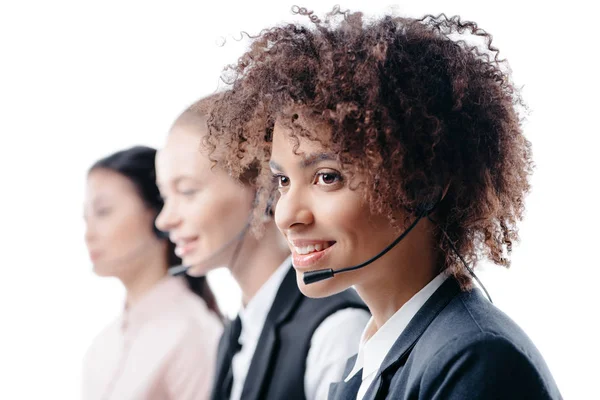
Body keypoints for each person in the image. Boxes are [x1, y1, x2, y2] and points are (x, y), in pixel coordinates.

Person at [204, 7, 562, 400]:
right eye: (284, 181)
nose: (287, 214)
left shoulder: (476, 361)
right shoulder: (372, 358)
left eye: (327, 177)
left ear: (424, 186)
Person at [154, 96, 371, 400]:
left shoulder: (335, 333)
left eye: (187, 191)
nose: (165, 220)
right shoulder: (234, 335)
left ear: (265, 192)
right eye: (165, 196)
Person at [82, 146, 223, 400]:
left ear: (160, 215)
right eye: (86, 218)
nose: (88, 234)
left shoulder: (192, 333)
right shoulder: (102, 345)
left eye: (103, 212)